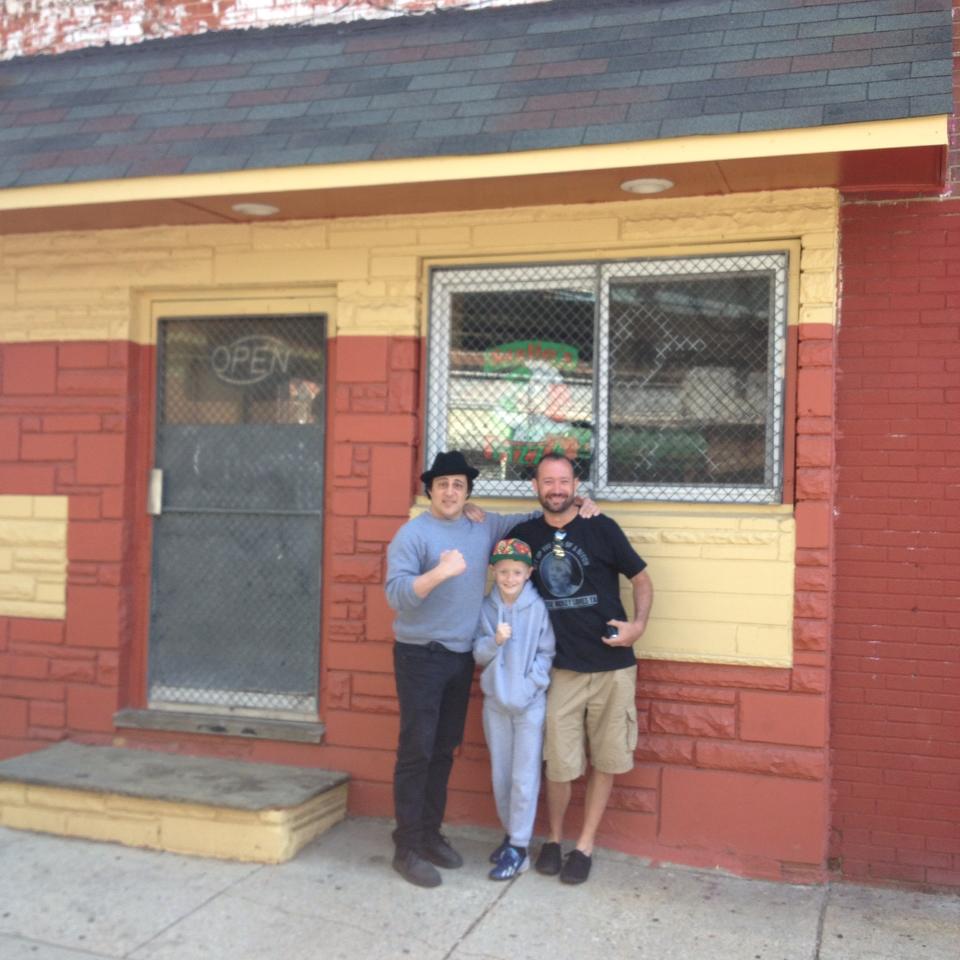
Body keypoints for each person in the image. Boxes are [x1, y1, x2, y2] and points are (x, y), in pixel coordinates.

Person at [384, 450, 596, 888]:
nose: (450, 491)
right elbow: (397, 595)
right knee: (416, 751)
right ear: (429, 490)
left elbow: (533, 515)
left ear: (467, 492)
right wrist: (438, 573)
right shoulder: (413, 534)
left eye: (458, 485)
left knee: (443, 751)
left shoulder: (482, 525)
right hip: (420, 655)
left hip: (461, 657)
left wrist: (581, 503)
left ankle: (429, 835)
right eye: (442, 484)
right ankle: (406, 847)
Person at [509, 452, 653, 885]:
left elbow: (641, 578)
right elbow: (498, 570)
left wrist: (639, 627)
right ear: (536, 487)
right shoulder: (522, 536)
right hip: (560, 670)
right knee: (559, 763)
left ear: (576, 485)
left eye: (563, 481)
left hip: (612, 666)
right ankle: (553, 839)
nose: (556, 489)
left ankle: (584, 845)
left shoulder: (601, 526)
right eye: (547, 482)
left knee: (605, 759)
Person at [473, 538, 555, 881]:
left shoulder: (537, 609)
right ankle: (511, 836)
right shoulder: (487, 609)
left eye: (517, 572)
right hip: (496, 705)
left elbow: (545, 655)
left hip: (528, 707)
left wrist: (528, 686)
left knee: (524, 777)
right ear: (494, 571)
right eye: (504, 571)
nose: (509, 578)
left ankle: (519, 849)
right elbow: (477, 654)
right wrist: (495, 641)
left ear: (528, 573)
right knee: (501, 775)